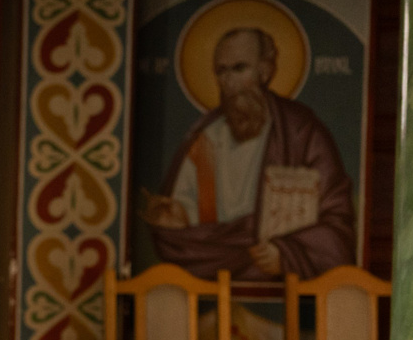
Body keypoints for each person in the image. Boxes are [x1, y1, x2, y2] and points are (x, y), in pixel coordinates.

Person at [141, 26, 355, 280]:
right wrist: (178, 216)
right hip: (210, 272)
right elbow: (187, 217)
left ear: (265, 71)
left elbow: (337, 222)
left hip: (278, 278)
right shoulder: (206, 138)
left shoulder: (301, 132)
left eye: (239, 68)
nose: (229, 81)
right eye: (221, 71)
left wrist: (287, 253)